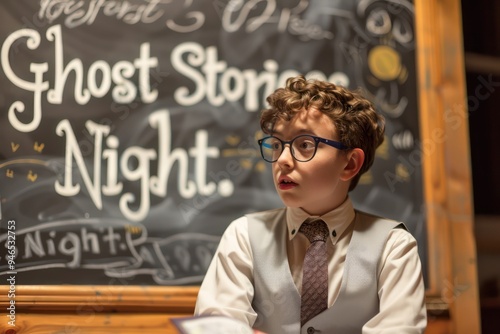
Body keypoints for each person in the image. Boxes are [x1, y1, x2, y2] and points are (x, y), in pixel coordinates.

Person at [194, 75, 427, 333]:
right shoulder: (243, 236)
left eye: (304, 145)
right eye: (277, 145)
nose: (282, 159)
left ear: (349, 164)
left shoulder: (394, 247)